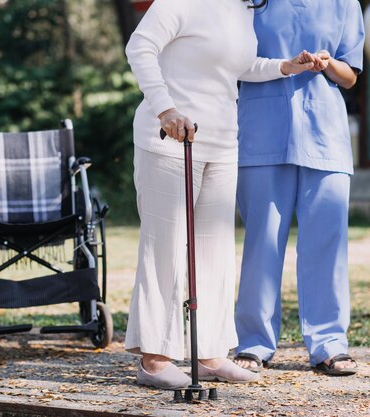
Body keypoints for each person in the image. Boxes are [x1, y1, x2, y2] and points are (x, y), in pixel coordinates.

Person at [124, 0, 315, 389]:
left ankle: (210, 353)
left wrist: (284, 66)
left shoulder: (243, 9)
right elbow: (139, 46)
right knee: (167, 249)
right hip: (169, 140)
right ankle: (154, 359)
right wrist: (165, 109)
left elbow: (239, 66)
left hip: (222, 143)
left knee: (215, 254)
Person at [233, 0, 365, 376]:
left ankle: (329, 344)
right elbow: (234, 62)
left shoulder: (344, 3)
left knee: (327, 244)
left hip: (325, 136)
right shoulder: (251, 3)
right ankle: (254, 343)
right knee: (263, 242)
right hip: (261, 133)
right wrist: (283, 65)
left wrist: (327, 64)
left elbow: (350, 74)